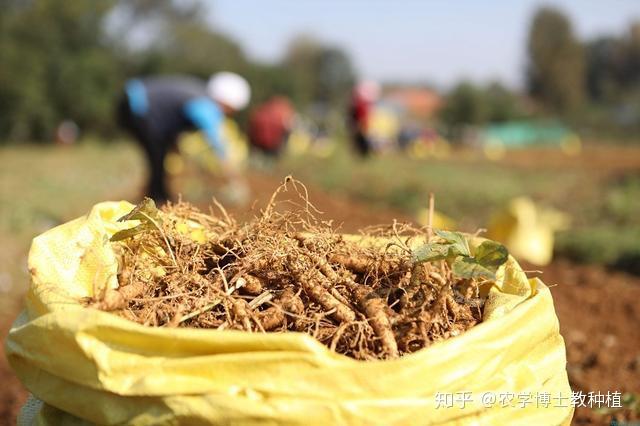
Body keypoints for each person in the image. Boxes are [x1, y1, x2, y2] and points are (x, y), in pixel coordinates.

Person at [117, 72, 250, 203]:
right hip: (137, 108)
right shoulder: (204, 104)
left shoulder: (198, 93)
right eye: (230, 110)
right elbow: (215, 138)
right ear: (225, 102)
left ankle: (158, 195)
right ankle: (158, 198)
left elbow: (174, 126)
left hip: (133, 103)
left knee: (160, 153)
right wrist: (232, 175)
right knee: (157, 154)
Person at [348, 80, 380, 156]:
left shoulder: (360, 104)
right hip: (360, 124)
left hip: (362, 124)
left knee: (360, 140)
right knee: (359, 140)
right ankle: (361, 153)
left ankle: (362, 153)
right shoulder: (359, 104)